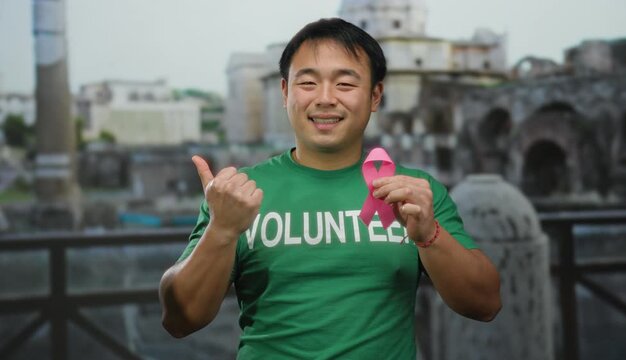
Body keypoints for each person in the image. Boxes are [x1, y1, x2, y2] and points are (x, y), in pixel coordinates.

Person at [159, 18, 501, 358]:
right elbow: (180, 319)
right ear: (285, 92)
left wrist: (429, 234)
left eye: (345, 84)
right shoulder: (238, 194)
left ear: (375, 95)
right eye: (307, 82)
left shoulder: (415, 193)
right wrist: (221, 229)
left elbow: (485, 304)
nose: (325, 99)